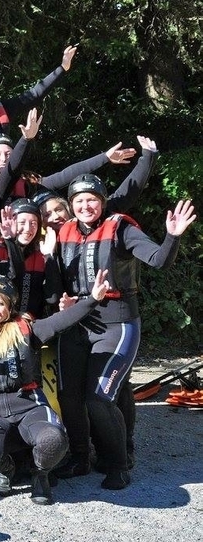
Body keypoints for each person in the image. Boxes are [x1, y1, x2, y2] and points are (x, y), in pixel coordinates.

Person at [53, 173, 196, 489]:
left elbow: (158, 260)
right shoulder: (62, 232)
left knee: (98, 398)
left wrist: (172, 236)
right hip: (76, 322)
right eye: (79, 200)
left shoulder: (121, 227)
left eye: (92, 199)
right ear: (71, 205)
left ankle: (117, 461)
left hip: (117, 323)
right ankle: (80, 457)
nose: (86, 205)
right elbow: (54, 281)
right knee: (69, 396)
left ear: (102, 203)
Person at [0, 273, 112, 505]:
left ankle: (40, 474)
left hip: (30, 405)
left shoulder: (27, 329)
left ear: (10, 306)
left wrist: (92, 299)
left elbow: (61, 321)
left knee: (54, 441)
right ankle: (8, 468)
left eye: (0, 303)